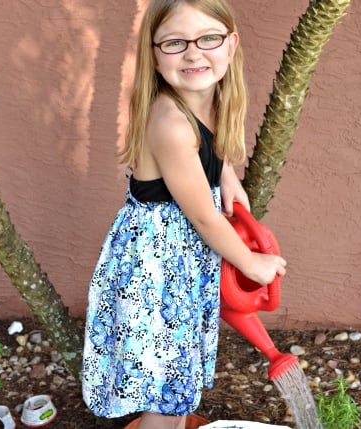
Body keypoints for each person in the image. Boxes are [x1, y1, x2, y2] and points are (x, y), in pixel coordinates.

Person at [82, 1, 287, 428]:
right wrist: (252, 263)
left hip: (177, 265)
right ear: (154, 55)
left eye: (208, 38)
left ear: (231, 46)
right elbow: (205, 219)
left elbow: (202, 155)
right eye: (175, 43)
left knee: (177, 381)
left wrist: (225, 174)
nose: (194, 54)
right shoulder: (170, 123)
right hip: (156, 273)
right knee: (163, 390)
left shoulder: (200, 101)